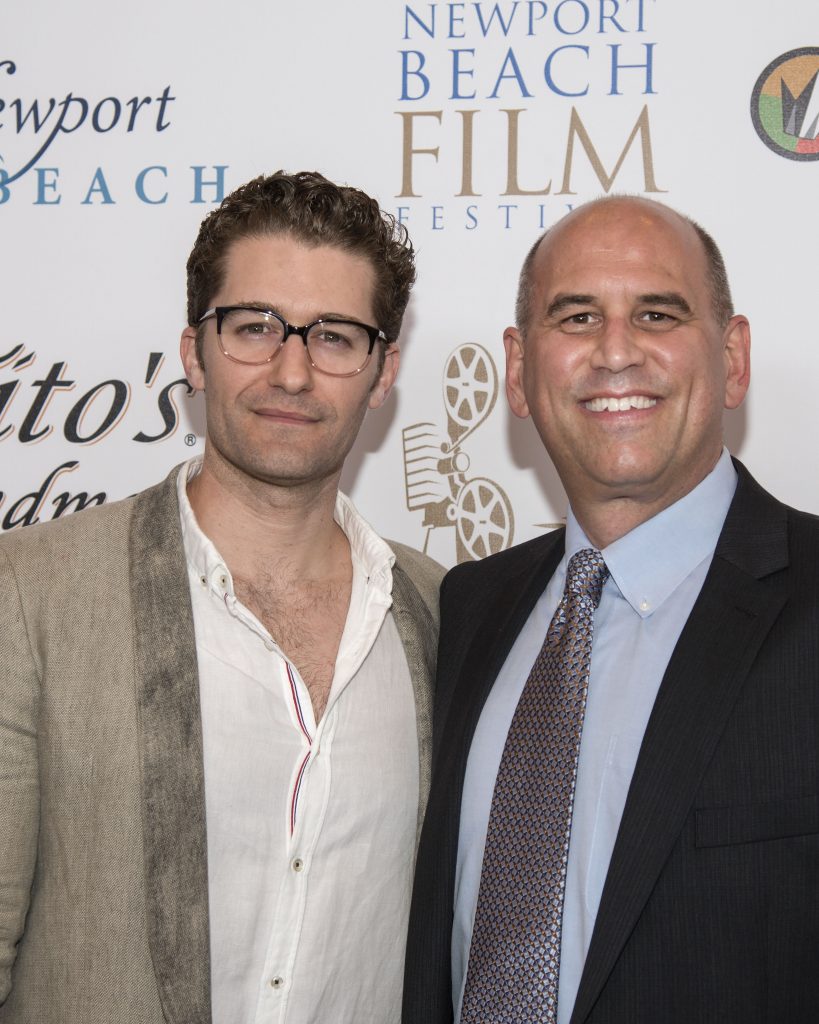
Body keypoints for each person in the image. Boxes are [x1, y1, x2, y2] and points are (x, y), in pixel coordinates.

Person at [0, 170, 444, 1024]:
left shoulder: (436, 611)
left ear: (381, 372)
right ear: (192, 352)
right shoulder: (32, 596)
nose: (290, 371)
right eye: (253, 328)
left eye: (336, 338)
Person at [403, 195, 819, 1024]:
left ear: (731, 359)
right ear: (519, 372)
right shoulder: (469, 607)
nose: (616, 351)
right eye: (577, 316)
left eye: (657, 313)